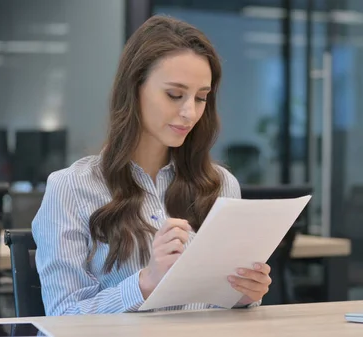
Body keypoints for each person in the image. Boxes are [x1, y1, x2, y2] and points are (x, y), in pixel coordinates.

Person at [31, 15, 272, 316]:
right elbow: (63, 317)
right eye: (174, 95)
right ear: (134, 89)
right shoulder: (72, 188)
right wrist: (145, 283)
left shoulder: (221, 184)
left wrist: (243, 294)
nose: (189, 112)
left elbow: (222, 307)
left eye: (201, 98)